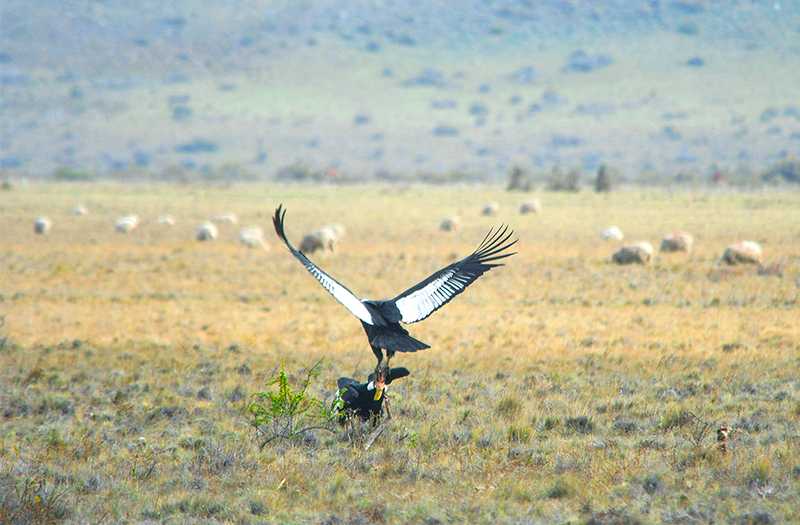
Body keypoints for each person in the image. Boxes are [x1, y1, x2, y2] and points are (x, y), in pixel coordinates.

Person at [336, 365, 410, 423]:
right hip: (357, 398)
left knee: (377, 412)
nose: (380, 384)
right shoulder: (357, 392)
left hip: (370, 407)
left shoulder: (381, 388)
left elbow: (403, 371)